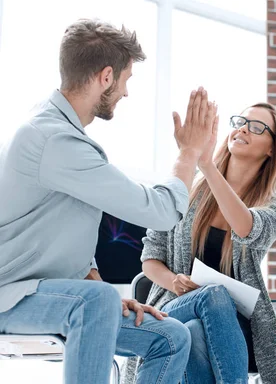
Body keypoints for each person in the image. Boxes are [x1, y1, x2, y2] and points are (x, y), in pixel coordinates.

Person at [0, 19, 217, 384]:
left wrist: (92, 278)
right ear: (105, 77)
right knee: (96, 299)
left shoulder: (61, 135)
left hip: (51, 295)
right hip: (11, 298)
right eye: (126, 79)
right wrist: (189, 153)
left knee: (171, 336)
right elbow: (161, 211)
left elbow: (64, 226)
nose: (126, 93)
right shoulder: (54, 140)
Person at [122, 103, 276, 384]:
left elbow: (247, 228)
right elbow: (150, 258)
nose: (242, 128)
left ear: (272, 149)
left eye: (256, 127)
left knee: (195, 329)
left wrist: (206, 166)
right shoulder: (185, 186)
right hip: (174, 305)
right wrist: (173, 281)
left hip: (234, 323)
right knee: (212, 296)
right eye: (241, 121)